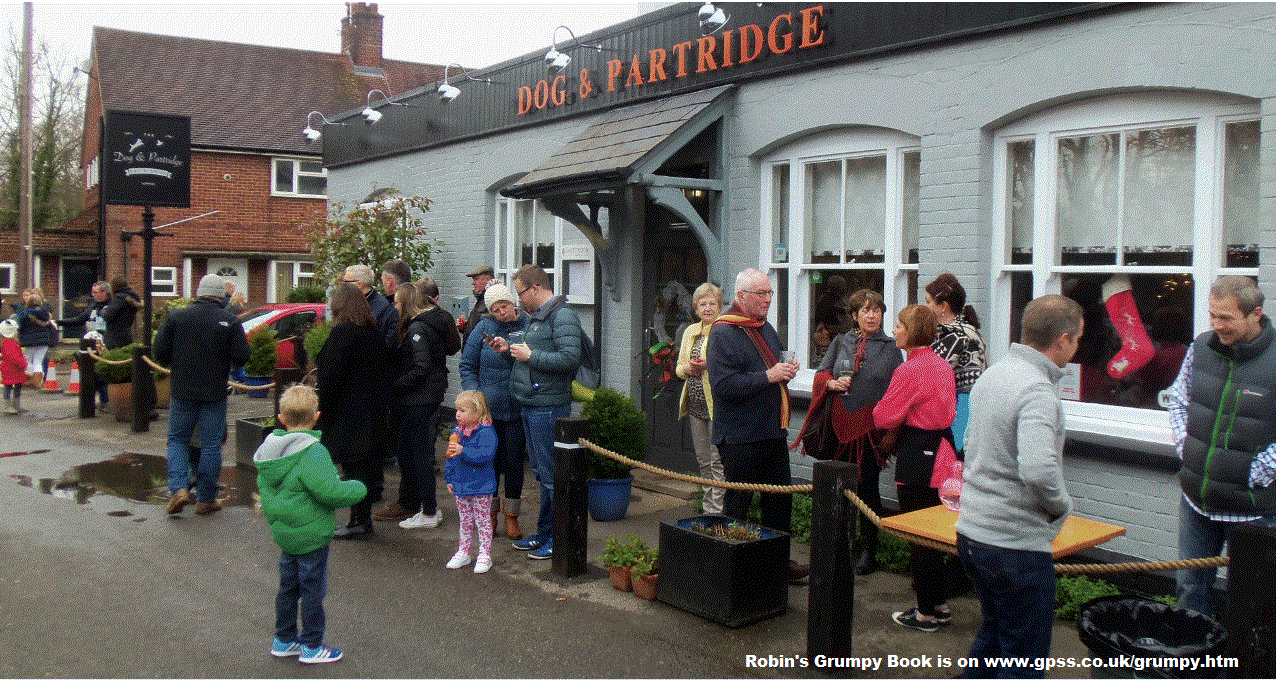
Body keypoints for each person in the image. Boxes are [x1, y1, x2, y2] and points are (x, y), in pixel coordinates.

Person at [955, 294, 1081, 675]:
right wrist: (1062, 507)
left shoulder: (994, 373)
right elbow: (1039, 471)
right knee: (1022, 661)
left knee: (994, 635)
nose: (1077, 347)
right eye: (1076, 339)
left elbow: (970, 446)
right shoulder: (1037, 391)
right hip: (1014, 546)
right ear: (1061, 340)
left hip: (973, 536)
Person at [1169, 276, 1276, 616]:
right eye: (1212, 316)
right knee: (1189, 591)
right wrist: (1187, 450)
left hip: (1254, 511)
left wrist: (1255, 472)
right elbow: (1178, 401)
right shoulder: (1201, 347)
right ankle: (1193, 666)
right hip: (1196, 502)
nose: (1217, 326)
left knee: (1251, 602)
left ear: (1255, 314)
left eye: (1226, 318)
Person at [706, 268, 808, 583]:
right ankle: (730, 570)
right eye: (760, 294)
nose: (767, 299)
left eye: (769, 294)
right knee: (738, 505)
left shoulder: (764, 328)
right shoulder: (723, 332)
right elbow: (723, 385)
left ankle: (775, 564)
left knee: (779, 503)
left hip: (770, 432)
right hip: (739, 437)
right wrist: (769, 376)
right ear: (741, 297)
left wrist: (785, 370)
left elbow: (772, 368)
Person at [255, 384, 367, 664]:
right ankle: (312, 645)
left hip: (285, 534)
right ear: (316, 416)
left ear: (281, 418)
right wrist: (358, 487)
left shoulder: (269, 452)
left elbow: (267, 492)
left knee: (288, 588)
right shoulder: (312, 453)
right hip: (311, 535)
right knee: (312, 590)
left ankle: (284, 639)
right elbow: (329, 492)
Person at [800, 288, 903, 575]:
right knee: (839, 487)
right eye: (865, 311)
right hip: (838, 426)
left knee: (867, 489)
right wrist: (830, 384)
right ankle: (843, 543)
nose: (872, 315)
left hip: (869, 432)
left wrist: (891, 432)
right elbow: (823, 373)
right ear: (855, 316)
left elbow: (897, 392)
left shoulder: (892, 348)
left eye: (877, 310)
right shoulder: (842, 341)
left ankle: (870, 549)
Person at [872, 304, 957, 631]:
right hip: (945, 454)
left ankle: (924, 614)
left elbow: (884, 417)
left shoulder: (909, 370)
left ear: (912, 332)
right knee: (937, 536)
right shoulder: (942, 365)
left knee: (920, 538)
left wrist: (892, 411)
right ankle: (939, 604)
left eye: (898, 325)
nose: (894, 330)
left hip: (919, 457)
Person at [489, 264, 582, 560]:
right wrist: (511, 347)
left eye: (520, 293)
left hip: (549, 406)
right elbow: (534, 349)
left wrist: (531, 355)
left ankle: (558, 538)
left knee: (554, 476)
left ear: (536, 288)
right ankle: (544, 533)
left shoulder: (563, 315)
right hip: (531, 404)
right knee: (543, 475)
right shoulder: (537, 317)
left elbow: (569, 359)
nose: (518, 301)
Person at [154, 274, 251, 516]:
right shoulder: (229, 320)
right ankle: (206, 499)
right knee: (210, 445)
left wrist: (177, 361)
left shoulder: (177, 317)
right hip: (214, 390)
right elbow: (242, 356)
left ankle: (178, 488)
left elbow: (159, 351)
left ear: (199, 292)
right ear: (221, 295)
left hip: (182, 388)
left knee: (177, 439)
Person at [315, 283, 390, 539]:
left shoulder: (343, 333)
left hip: (349, 413)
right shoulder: (372, 331)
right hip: (374, 411)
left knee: (354, 468)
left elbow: (330, 377)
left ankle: (358, 521)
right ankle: (362, 518)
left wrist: (321, 408)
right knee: (367, 467)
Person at [459, 282, 528, 540]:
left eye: (505, 305)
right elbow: (467, 365)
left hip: (517, 408)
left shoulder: (527, 326)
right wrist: (476, 397)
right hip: (488, 411)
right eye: (496, 309)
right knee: (489, 464)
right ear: (490, 311)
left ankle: (512, 517)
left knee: (513, 464)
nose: (502, 312)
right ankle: (490, 515)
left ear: (513, 303)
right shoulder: (483, 329)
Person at [389, 278, 456, 530]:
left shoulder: (417, 329)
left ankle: (428, 511)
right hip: (428, 395)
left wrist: (396, 385)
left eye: (396, 302)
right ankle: (427, 508)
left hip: (421, 398)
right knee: (412, 452)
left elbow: (422, 366)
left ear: (405, 303)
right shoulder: (430, 323)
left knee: (417, 454)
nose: (394, 307)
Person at [675, 282, 726, 516]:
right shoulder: (690, 331)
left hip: (717, 407)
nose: (707, 308)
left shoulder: (724, 329)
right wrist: (688, 370)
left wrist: (708, 366)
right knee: (703, 461)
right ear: (696, 309)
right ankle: (707, 511)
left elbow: (729, 365)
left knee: (718, 462)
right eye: (703, 304)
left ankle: (718, 512)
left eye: (712, 303)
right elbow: (678, 367)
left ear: (720, 306)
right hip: (695, 406)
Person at [925, 273, 986, 455]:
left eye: (928, 302)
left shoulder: (955, 336)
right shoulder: (962, 330)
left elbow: (929, 375)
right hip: (963, 409)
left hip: (960, 413)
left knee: (951, 474)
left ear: (943, 306)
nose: (926, 307)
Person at [444, 390, 498, 573]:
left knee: (483, 521)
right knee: (465, 520)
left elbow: (485, 455)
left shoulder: (486, 433)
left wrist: (463, 451)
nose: (458, 414)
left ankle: (485, 554)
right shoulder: (456, 432)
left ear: (478, 411)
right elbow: (451, 458)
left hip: (481, 486)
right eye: (457, 409)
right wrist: (449, 478)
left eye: (463, 410)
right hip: (461, 485)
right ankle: (464, 551)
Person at [343, 264, 398, 350]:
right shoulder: (350, 303)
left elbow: (387, 344)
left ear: (359, 284)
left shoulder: (383, 308)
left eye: (346, 282)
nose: (343, 286)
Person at [16, 288, 56, 390]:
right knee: (38, 361)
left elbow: (19, 327)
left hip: (28, 341)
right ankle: (38, 382)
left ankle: (29, 380)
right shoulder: (46, 314)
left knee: (28, 360)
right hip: (43, 341)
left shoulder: (24, 314)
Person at [103, 276, 141, 349]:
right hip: (127, 334)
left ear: (114, 287)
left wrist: (103, 311)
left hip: (114, 337)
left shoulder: (119, 298)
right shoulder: (132, 297)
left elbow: (107, 316)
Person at [461, 265, 495, 344]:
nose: (473, 283)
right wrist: (465, 327)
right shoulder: (481, 300)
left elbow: (486, 332)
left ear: (488, 279)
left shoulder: (491, 302)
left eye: (476, 279)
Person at [1, 319, 27, 415]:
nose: (17, 332)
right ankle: (8, 407)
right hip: (12, 369)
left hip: (13, 369)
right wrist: (24, 363)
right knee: (9, 387)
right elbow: (14, 357)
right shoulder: (9, 343)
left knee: (17, 386)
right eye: (15, 330)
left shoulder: (9, 342)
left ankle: (15, 405)